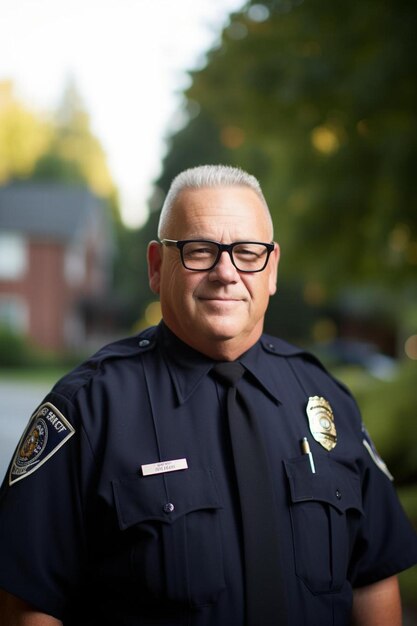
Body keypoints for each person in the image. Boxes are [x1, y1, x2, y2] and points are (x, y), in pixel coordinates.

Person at [0, 164, 416, 626]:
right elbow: (28, 606)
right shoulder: (88, 409)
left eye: (247, 252)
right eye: (200, 251)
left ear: (271, 268)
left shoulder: (326, 399)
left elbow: (373, 581)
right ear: (158, 267)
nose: (226, 272)